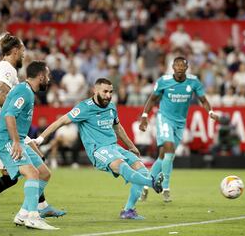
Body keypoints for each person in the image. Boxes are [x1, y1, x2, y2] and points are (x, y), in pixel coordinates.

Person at [0, 33, 64, 225]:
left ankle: (40, 206)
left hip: (5, 128)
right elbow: (0, 96)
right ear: (15, 51)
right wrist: (16, 108)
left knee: (31, 169)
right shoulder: (8, 70)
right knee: (17, 175)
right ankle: (29, 212)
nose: (24, 56)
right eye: (22, 51)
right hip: (4, 129)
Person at [33, 78, 164, 220]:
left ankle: (128, 210)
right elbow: (61, 121)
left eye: (111, 92)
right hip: (98, 150)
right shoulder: (84, 107)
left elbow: (118, 128)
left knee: (142, 169)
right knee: (124, 167)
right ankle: (152, 183)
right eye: (105, 91)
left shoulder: (111, 106)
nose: (108, 95)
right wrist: (40, 139)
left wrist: (131, 146)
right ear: (95, 91)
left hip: (114, 147)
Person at [139, 56, 219, 202]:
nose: (179, 68)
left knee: (164, 156)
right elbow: (152, 99)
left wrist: (211, 112)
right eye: (177, 65)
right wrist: (144, 115)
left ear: (186, 68)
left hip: (180, 123)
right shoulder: (164, 81)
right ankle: (166, 187)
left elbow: (203, 100)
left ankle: (146, 184)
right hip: (164, 118)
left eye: (182, 65)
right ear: (173, 67)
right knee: (169, 148)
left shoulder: (193, 82)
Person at [0, 60, 57, 230]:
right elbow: (9, 115)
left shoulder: (27, 90)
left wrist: (19, 141)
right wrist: (15, 142)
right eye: (48, 75)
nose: (49, 79)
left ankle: (23, 214)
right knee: (32, 173)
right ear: (41, 76)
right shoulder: (24, 91)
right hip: (6, 140)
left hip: (18, 140)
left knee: (44, 173)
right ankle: (33, 217)